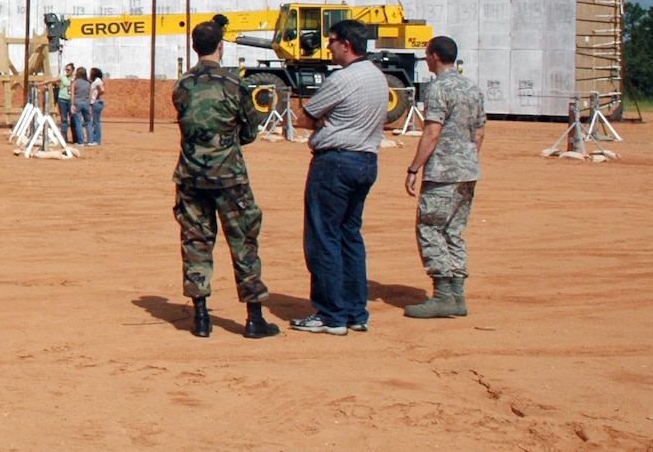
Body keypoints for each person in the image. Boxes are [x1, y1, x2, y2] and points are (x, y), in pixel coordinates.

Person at [172, 18, 279, 339]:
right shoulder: (235, 85)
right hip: (229, 177)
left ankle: (201, 317)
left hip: (191, 177)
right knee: (243, 242)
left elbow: (186, 125)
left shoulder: (182, 85)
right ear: (221, 46)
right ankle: (253, 317)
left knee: (195, 243)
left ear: (194, 47)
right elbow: (249, 131)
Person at [290, 19, 388, 335]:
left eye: (331, 41)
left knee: (323, 237)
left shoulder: (342, 79)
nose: (328, 46)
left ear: (346, 44)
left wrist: (324, 125)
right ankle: (355, 311)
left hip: (336, 162)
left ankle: (331, 313)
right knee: (350, 236)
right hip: (366, 160)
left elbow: (304, 118)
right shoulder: (378, 77)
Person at [403, 36, 485, 318]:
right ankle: (457, 295)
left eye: (427, 55)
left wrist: (414, 168)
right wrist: (468, 160)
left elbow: (432, 132)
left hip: (443, 173)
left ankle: (442, 295)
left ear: (435, 56)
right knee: (452, 231)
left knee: (430, 228)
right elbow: (480, 132)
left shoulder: (438, 88)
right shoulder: (472, 87)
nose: (426, 59)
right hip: (468, 171)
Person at [72, 67, 93, 145]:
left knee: (78, 123)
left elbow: (73, 95)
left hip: (77, 103)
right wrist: (90, 104)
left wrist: (72, 104)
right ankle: (90, 140)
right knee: (88, 122)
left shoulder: (75, 82)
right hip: (86, 103)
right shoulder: (88, 83)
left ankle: (81, 141)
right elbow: (90, 95)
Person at [89, 68, 106, 145]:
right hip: (95, 103)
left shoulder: (98, 81)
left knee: (96, 122)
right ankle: (95, 139)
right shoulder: (95, 81)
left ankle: (96, 140)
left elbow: (102, 90)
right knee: (95, 122)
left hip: (97, 102)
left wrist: (97, 96)